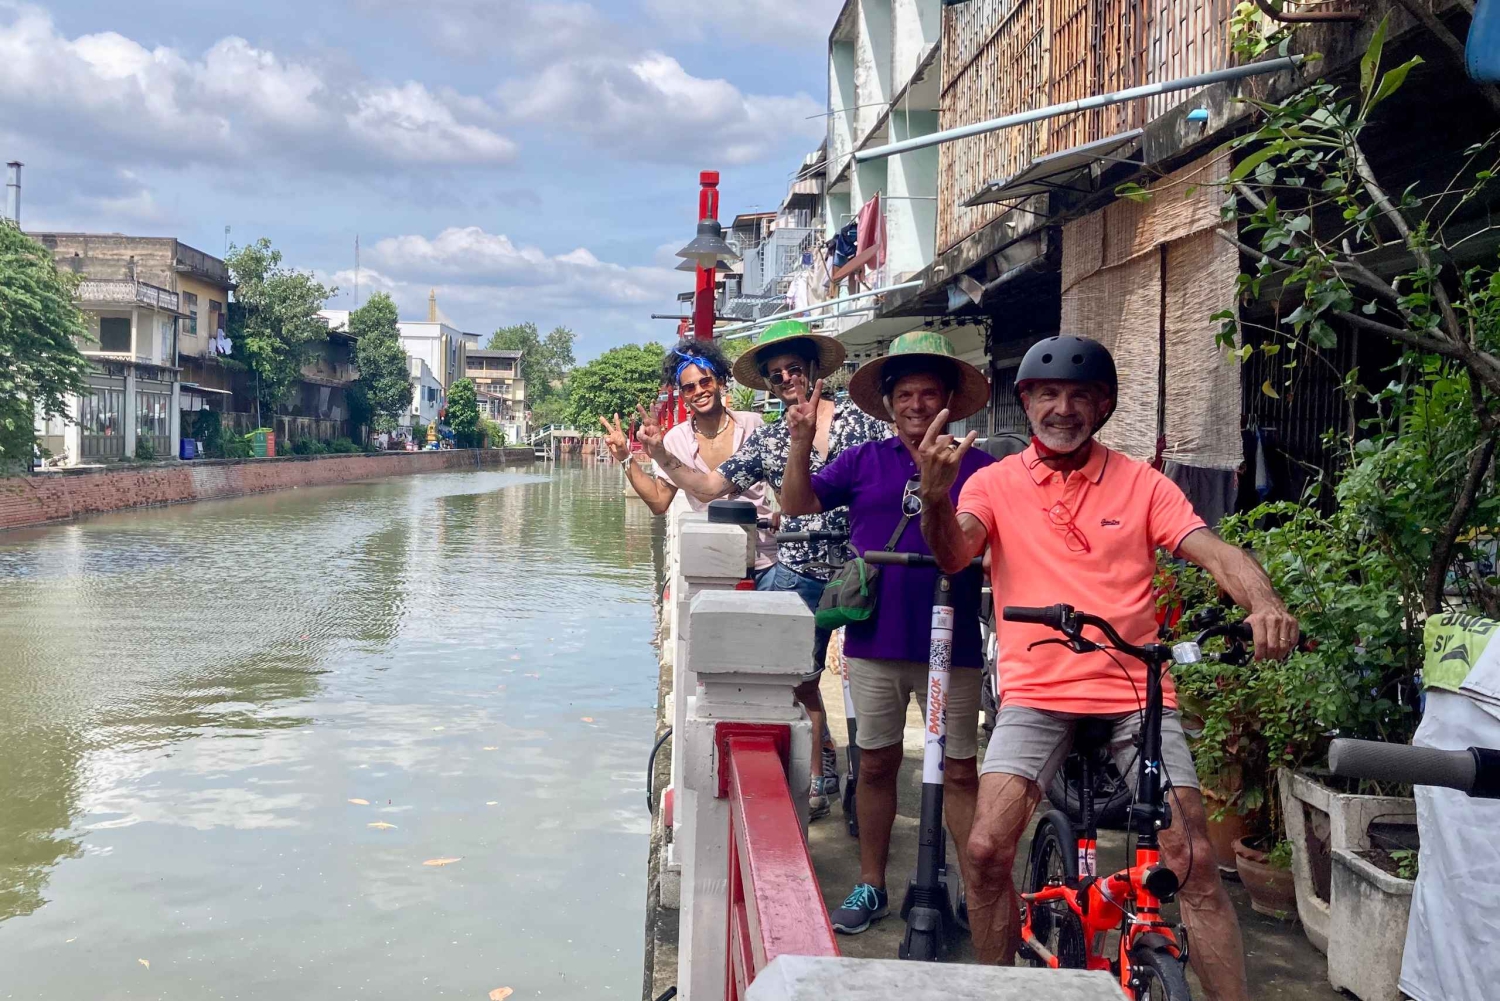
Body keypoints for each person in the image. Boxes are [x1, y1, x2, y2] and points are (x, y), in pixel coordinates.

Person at [916, 334, 1300, 1000]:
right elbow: (954, 554)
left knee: (1192, 859)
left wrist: (1265, 602)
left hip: (1134, 689)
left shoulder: (1142, 483)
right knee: (983, 851)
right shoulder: (994, 482)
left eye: (1080, 396)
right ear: (1026, 402)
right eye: (1047, 394)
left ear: (1103, 406)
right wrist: (934, 497)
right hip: (1036, 691)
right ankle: (996, 988)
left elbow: (1215, 551)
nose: (1062, 409)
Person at [777, 330, 994, 935]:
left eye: (929, 394)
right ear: (890, 403)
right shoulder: (864, 460)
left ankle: (975, 890)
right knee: (874, 765)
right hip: (875, 641)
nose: (917, 405)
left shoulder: (981, 467)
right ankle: (871, 882)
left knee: (959, 771)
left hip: (955, 643)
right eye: (906, 395)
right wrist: (800, 443)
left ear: (949, 400)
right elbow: (797, 506)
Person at [639, 319, 890, 818]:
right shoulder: (770, 439)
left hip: (867, 571)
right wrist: (659, 453)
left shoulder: (863, 425)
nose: (787, 380)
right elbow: (709, 487)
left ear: (814, 369)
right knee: (797, 679)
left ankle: (868, 780)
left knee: (874, 685)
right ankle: (815, 780)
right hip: (798, 572)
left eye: (795, 369)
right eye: (776, 375)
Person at [599, 340, 777, 577]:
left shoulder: (753, 424)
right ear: (683, 396)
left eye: (705, 382)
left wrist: (784, 512)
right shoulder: (676, 440)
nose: (699, 391)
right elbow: (659, 502)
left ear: (720, 382)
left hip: (765, 556)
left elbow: (781, 481)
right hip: (711, 556)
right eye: (689, 387)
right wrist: (625, 457)